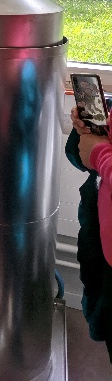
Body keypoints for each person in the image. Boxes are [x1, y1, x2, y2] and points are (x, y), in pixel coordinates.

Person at [67, 105, 112, 362]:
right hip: (104, 250)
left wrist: (100, 154)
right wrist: (93, 130)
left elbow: (98, 157)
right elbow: (79, 157)